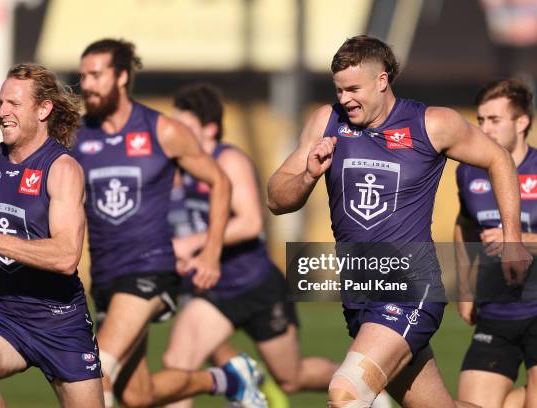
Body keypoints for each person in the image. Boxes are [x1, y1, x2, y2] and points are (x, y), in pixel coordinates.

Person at [266, 35, 532, 407]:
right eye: (339, 90)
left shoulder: (433, 123)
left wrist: (513, 239)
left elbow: (499, 159)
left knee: (346, 392)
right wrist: (308, 175)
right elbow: (276, 199)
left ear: (382, 80)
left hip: (410, 290)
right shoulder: (326, 121)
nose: (344, 99)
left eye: (353, 89)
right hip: (359, 292)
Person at [162, 83, 391, 408]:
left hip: (255, 286)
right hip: (215, 289)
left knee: (291, 377)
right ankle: (241, 383)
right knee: (178, 362)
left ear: (209, 128)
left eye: (184, 126)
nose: (175, 133)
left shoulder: (228, 160)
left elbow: (251, 222)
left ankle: (365, 386)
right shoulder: (180, 168)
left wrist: (193, 244)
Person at [72, 39, 266, 408]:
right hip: (105, 276)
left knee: (97, 374)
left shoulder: (163, 130)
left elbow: (220, 181)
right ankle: (228, 378)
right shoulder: (78, 136)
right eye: (83, 76)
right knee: (137, 394)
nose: (88, 84)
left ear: (122, 77)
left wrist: (210, 252)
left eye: (96, 75)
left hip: (149, 270)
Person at [0, 63, 104, 407]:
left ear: (43, 109)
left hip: (60, 321)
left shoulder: (62, 169)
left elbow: (65, 256)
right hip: (4, 314)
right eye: (1, 103)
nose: (2, 112)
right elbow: (6, 228)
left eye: (14, 104)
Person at [455, 79, 536, 408]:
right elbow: (463, 226)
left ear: (522, 123)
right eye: (480, 120)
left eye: (494, 120)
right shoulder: (468, 172)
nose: (484, 129)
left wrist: (518, 239)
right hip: (496, 312)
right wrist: (465, 289)